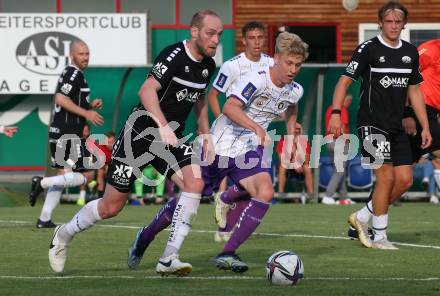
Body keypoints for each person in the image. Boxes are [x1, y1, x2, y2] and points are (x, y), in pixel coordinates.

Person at [47, 10, 223, 276]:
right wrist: (162, 125)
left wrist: (205, 133)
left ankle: (168, 257)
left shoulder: (208, 65)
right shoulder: (174, 55)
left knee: (195, 183)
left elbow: (198, 99)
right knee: (111, 207)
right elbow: (147, 90)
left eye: (220, 34)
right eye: (211, 33)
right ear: (194, 31)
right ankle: (64, 234)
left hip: (169, 139)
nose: (216, 39)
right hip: (138, 136)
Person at [128, 31, 309, 273]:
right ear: (276, 57)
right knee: (192, 195)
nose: (293, 69)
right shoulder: (256, 79)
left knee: (265, 191)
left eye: (298, 64)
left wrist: (290, 136)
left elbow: (291, 107)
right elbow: (229, 108)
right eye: (289, 63)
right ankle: (146, 235)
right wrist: (256, 127)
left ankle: (227, 252)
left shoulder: (295, 89)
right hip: (220, 144)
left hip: (248, 149)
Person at [328, 1, 432, 250]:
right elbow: (344, 82)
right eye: (389, 21)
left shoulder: (410, 52)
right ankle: (380, 237)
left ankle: (361, 217)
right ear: (380, 23)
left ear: (404, 24)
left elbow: (415, 91)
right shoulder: (368, 49)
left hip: (396, 127)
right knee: (385, 177)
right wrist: (335, 113)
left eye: (398, 22)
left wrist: (425, 126)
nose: (394, 26)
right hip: (371, 125)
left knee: (405, 180)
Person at [207, 21, 274, 241]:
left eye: (260, 37)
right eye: (252, 38)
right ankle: (224, 218)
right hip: (234, 136)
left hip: (260, 136)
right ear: (244, 40)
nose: (257, 42)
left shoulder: (271, 63)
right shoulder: (232, 65)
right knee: (247, 184)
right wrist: (221, 124)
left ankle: (225, 224)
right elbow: (214, 95)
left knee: (256, 186)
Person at [30, 40, 104, 229]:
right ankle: (42, 182)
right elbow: (61, 99)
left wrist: (89, 105)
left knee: (65, 175)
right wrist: (87, 113)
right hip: (67, 132)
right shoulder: (74, 73)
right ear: (72, 55)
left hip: (60, 131)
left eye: (87, 53)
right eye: (81, 54)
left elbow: (69, 100)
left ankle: (44, 218)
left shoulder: (72, 73)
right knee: (83, 176)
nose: (85, 57)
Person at [322, 94, 353, 205]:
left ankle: (344, 197)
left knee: (340, 170)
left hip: (329, 141)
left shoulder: (330, 108)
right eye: (348, 100)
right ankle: (328, 195)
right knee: (340, 170)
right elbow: (343, 126)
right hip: (339, 141)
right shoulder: (342, 109)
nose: (349, 103)